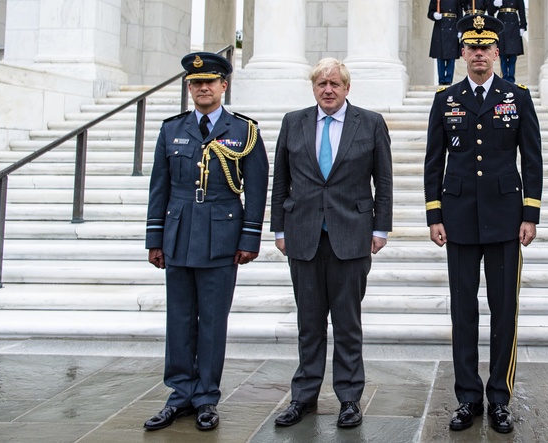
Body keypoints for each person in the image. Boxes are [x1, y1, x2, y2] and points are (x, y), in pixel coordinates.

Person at [424, 14, 543, 434]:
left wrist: (530, 214)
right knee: (463, 311)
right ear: (461, 53)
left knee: (503, 310)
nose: (478, 53)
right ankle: (467, 396)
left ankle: (499, 397)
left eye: (485, 47)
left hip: (506, 218)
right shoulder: (446, 99)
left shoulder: (517, 97)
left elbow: (532, 159)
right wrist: (434, 215)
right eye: (471, 47)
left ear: (497, 52)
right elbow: (433, 161)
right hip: (457, 219)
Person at [144, 51, 268, 432]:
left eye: (209, 82)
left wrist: (249, 236)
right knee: (179, 318)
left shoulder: (244, 131)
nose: (202, 88)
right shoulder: (171, 130)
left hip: (221, 236)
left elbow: (258, 188)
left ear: (223, 86)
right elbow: (159, 187)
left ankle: (206, 397)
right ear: (189, 88)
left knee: (212, 320)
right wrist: (154, 238)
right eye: (196, 83)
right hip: (178, 234)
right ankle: (179, 393)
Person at [270, 58, 393, 430]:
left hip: (351, 235)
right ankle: (304, 396)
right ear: (313, 87)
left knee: (347, 322)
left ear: (347, 88)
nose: (328, 89)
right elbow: (281, 180)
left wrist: (380, 229)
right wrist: (279, 230)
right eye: (322, 83)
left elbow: (383, 182)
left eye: (335, 83)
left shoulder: (369, 123)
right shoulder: (294, 122)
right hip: (303, 236)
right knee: (308, 323)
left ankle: (349, 398)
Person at [489, 0, 527, 83]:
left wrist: (523, 26)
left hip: (514, 24)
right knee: (503, 54)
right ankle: (505, 77)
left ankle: (511, 78)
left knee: (513, 55)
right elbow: (490, 12)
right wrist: (495, 4)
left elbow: (521, 11)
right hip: (502, 24)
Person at [428, 0, 462, 85]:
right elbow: (429, 13)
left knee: (451, 57)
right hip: (440, 28)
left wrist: (459, 30)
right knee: (440, 56)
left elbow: (459, 15)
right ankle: (441, 80)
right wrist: (434, 15)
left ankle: (448, 80)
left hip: (452, 28)